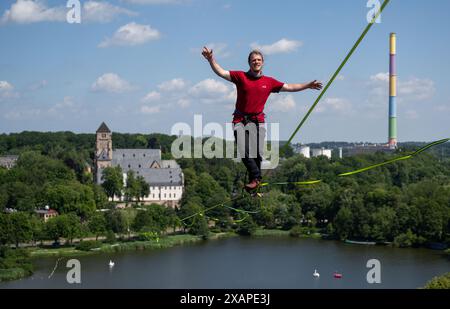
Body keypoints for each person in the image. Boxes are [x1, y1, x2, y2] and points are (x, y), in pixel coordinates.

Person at [202, 46, 322, 192]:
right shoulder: (241, 77)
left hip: (258, 121)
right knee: (243, 149)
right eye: (253, 60)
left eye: (259, 60)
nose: (256, 62)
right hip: (240, 119)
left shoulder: (269, 82)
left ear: (263, 62)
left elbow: (290, 87)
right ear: (249, 63)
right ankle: (257, 178)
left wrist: (307, 85)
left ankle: (255, 181)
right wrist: (211, 59)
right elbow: (221, 72)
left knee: (257, 153)